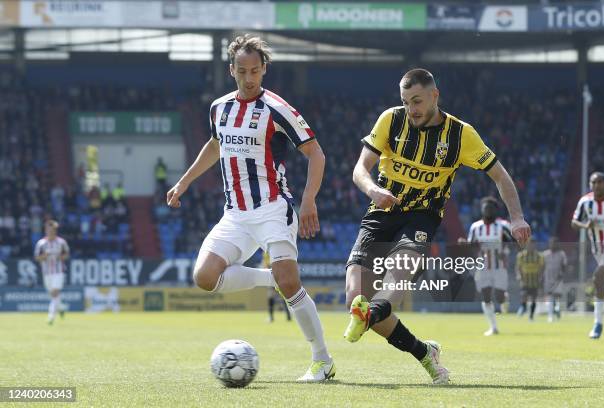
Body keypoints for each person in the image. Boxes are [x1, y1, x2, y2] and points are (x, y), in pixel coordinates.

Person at [343, 68, 531, 385]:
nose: (410, 109)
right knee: (355, 298)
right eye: (405, 101)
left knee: (394, 280)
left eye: (416, 101)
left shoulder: (460, 134)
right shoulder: (390, 120)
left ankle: (373, 314)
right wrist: (372, 189)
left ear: (434, 95)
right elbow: (360, 168)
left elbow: (500, 175)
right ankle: (424, 353)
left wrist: (516, 217)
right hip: (382, 210)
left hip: (422, 216)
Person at [166, 34, 334, 381]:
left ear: (264, 70)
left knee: (291, 283)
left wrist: (308, 200)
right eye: (242, 71)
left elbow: (315, 152)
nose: (249, 77)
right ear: (232, 70)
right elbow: (215, 145)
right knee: (204, 277)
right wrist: (184, 182)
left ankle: (322, 360)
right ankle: (271, 280)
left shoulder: (277, 108)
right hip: (236, 214)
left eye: (255, 70)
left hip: (273, 207)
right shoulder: (219, 108)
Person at [571, 171, 604, 339]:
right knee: (601, 282)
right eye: (593, 182)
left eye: (600, 182)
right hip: (598, 251)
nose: (597, 185)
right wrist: (586, 225)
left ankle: (597, 324)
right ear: (590, 184)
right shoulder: (585, 202)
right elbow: (573, 223)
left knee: (598, 277)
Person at [466, 196, 513, 336]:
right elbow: (471, 245)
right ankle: (493, 327)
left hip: (499, 265)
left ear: (495, 211)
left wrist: (504, 252)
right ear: (481, 210)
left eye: (491, 208)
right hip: (482, 265)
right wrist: (465, 244)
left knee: (499, 297)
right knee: (485, 295)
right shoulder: (475, 227)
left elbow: (511, 242)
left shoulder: (503, 226)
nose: (488, 210)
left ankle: (504, 298)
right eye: (485, 207)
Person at [34, 220, 70, 325]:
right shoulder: (41, 243)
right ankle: (62, 307)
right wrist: (43, 257)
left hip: (59, 271)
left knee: (55, 292)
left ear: (55, 231)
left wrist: (61, 257)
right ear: (46, 230)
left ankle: (51, 317)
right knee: (53, 295)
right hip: (46, 272)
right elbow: (37, 257)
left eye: (52, 230)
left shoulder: (61, 242)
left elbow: (66, 254)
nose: (50, 232)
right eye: (48, 230)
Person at [516, 240, 544, 321]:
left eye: (532, 244)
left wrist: (540, 277)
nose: (530, 246)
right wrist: (519, 276)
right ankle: (523, 307)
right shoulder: (521, 255)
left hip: (535, 280)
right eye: (529, 244)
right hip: (525, 280)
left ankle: (531, 316)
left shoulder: (539, 256)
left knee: (533, 299)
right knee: (524, 295)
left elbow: (542, 267)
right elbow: (518, 267)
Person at [542, 236, 567, 322]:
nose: (553, 245)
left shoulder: (561, 254)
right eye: (551, 243)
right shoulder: (545, 254)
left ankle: (557, 309)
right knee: (550, 296)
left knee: (557, 296)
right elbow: (542, 267)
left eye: (555, 243)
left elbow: (564, 266)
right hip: (548, 279)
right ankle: (550, 316)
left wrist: (561, 274)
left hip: (558, 278)